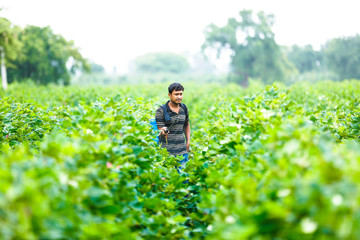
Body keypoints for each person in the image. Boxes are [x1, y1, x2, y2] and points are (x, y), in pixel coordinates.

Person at [155, 83, 190, 170]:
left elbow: (186, 124)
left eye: (181, 94)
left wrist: (188, 141)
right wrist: (163, 130)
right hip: (167, 153)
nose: (179, 97)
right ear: (169, 95)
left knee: (184, 179)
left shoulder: (184, 108)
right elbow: (160, 130)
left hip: (182, 150)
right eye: (176, 94)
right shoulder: (161, 111)